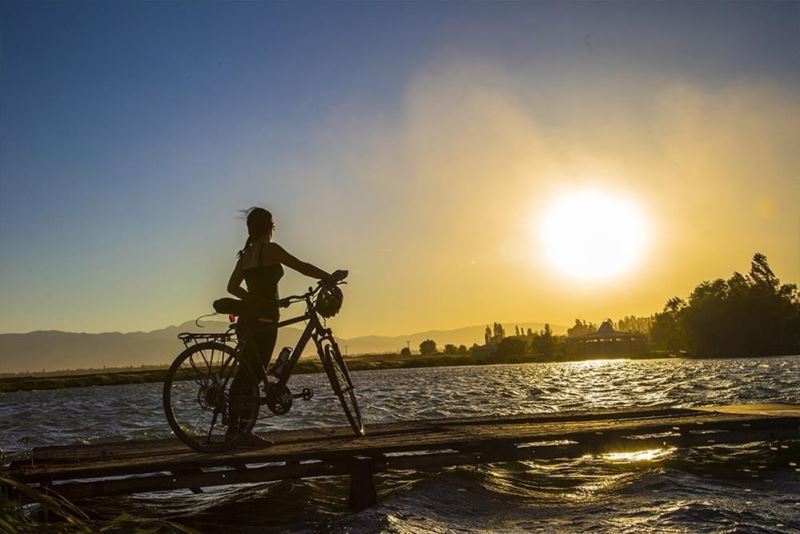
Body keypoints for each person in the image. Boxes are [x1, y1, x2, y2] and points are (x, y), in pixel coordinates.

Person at [226, 207, 341, 444]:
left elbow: (232, 288)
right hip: (266, 319)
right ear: (270, 227)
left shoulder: (245, 255)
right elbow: (301, 266)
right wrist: (328, 276)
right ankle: (242, 434)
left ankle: (235, 431)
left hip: (249, 319)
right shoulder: (270, 249)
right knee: (253, 375)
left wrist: (257, 300)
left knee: (246, 375)